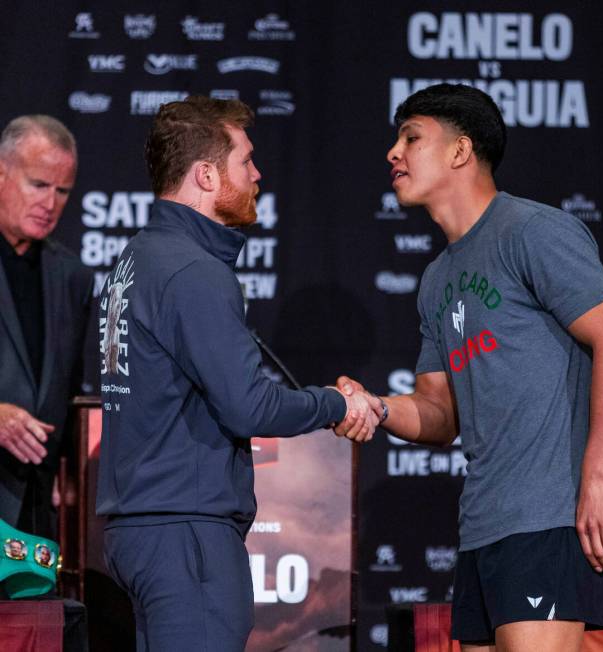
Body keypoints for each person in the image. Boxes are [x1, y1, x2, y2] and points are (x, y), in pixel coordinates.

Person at [335, 83, 603, 652]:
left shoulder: (533, 231)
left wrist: (598, 479)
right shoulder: (436, 279)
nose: (392, 153)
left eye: (411, 137)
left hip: (547, 518)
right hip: (482, 527)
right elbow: (438, 413)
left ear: (460, 151)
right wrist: (376, 407)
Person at [96, 96, 380, 652]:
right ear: (206, 173)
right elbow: (248, 405)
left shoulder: (138, 257)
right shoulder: (193, 270)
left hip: (147, 529)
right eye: (245, 160)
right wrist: (335, 404)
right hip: (185, 533)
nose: (257, 173)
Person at [0, 115, 93, 541]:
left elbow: (70, 389)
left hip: (37, 515)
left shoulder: (72, 275)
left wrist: (66, 472)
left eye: (63, 191)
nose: (51, 203)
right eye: (39, 185)